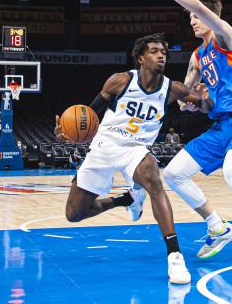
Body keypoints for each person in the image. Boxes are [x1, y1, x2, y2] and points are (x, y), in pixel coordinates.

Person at [136, 0, 232, 278]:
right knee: (174, 174)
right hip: (220, 123)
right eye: (191, 18)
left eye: (196, 17)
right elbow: (197, 99)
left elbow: (196, 3)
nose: (192, 22)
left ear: (209, 17)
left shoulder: (227, 39)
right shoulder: (198, 56)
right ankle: (217, 226)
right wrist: (192, 104)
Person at [54, 33, 211, 284]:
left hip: (136, 149)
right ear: (140, 58)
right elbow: (89, 113)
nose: (161, 55)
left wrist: (204, 100)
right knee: (74, 214)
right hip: (105, 145)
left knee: (153, 177)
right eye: (154, 51)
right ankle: (125, 199)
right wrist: (67, 129)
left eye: (164, 52)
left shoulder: (173, 89)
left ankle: (175, 257)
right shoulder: (120, 81)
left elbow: (205, 107)